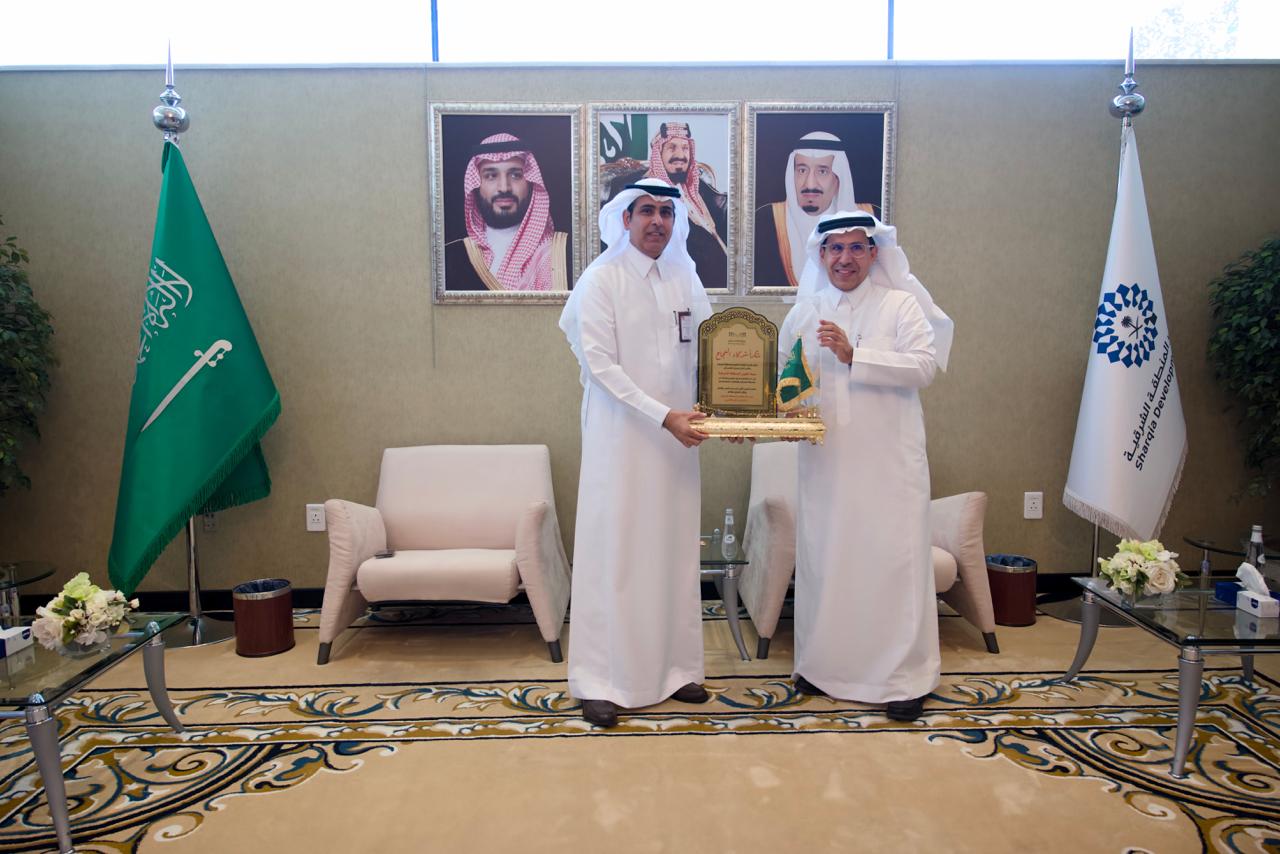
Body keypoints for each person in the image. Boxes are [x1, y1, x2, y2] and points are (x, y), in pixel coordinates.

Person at [778, 210, 955, 721]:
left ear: (874, 253)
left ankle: (901, 680)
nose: (845, 258)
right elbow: (788, 381)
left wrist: (855, 354)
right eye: (836, 248)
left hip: (888, 467)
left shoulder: (900, 305)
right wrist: (772, 414)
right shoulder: (804, 313)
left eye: (857, 247)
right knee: (827, 562)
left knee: (890, 566)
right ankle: (822, 666)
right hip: (826, 465)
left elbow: (924, 366)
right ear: (821, 255)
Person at [558, 177, 714, 728]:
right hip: (622, 440)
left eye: (667, 213)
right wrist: (663, 416)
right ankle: (600, 681)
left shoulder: (685, 278)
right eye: (646, 211)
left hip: (677, 443)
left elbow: (711, 356)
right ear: (625, 219)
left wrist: (725, 410)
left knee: (672, 551)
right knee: (617, 554)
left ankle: (677, 669)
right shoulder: (601, 280)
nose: (657, 222)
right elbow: (601, 367)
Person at [602, 122, 729, 288]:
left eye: (685, 148)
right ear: (658, 152)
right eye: (672, 147)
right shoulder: (638, 189)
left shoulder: (701, 189)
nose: (680, 155)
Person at [444, 132, 570, 291]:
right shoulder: (451, 257)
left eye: (516, 175)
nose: (504, 187)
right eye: (491, 176)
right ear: (476, 185)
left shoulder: (564, 253)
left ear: (531, 182)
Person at [753, 131, 874, 288]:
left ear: (839, 177)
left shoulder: (871, 218)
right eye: (802, 170)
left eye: (822, 171)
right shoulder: (764, 220)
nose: (810, 184)